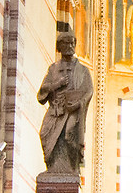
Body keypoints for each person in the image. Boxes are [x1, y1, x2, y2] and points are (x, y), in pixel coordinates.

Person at [37, 30, 94, 179]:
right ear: (59, 46)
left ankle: (71, 170)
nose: (70, 46)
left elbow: (89, 91)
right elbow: (43, 91)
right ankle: (53, 169)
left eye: (72, 43)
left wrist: (78, 103)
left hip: (73, 111)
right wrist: (57, 84)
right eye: (66, 43)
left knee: (69, 135)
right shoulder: (53, 69)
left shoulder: (82, 70)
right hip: (56, 110)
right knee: (45, 133)